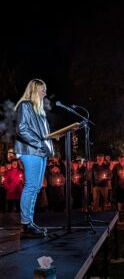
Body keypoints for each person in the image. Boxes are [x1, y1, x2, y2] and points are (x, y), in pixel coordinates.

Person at [14, 79, 54, 238]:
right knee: (31, 186)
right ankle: (25, 223)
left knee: (36, 187)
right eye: (42, 90)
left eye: (45, 90)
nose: (45, 93)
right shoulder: (25, 105)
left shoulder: (40, 110)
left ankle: (29, 222)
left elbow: (45, 135)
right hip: (30, 151)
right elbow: (22, 129)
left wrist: (49, 145)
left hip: (41, 152)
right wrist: (40, 144)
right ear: (34, 90)